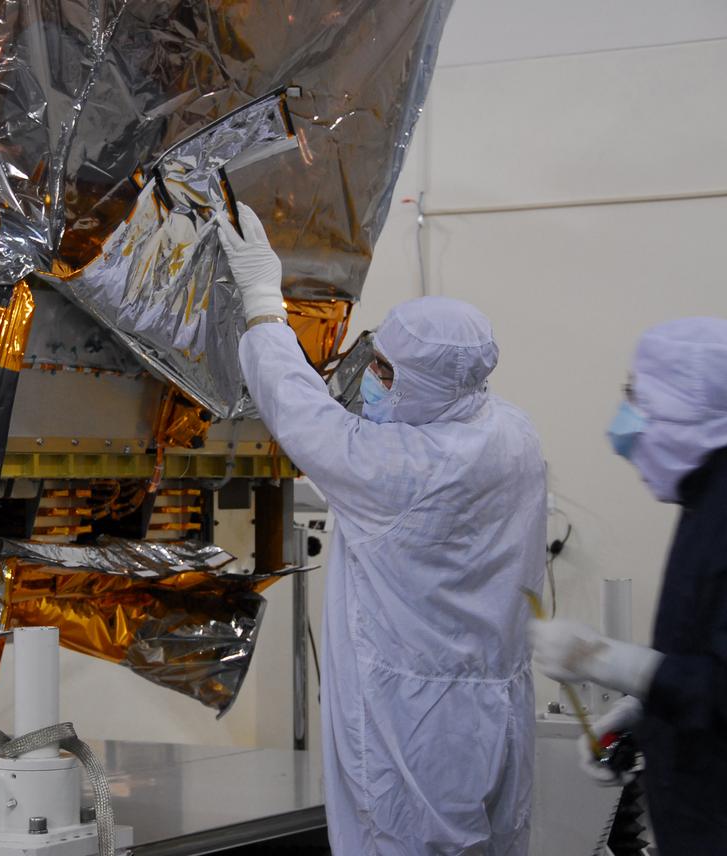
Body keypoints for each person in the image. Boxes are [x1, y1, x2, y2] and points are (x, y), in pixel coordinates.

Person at [216, 202, 546, 855]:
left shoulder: (400, 470)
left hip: (412, 724)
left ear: (434, 384)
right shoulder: (514, 434)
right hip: (499, 708)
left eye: (390, 372)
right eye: (377, 360)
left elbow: (298, 408)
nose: (373, 379)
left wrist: (261, 299)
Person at [530, 317, 727, 855]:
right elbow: (724, 651)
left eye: (637, 396)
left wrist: (606, 660)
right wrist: (646, 713)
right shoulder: (721, 493)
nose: (625, 422)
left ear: (689, 408)